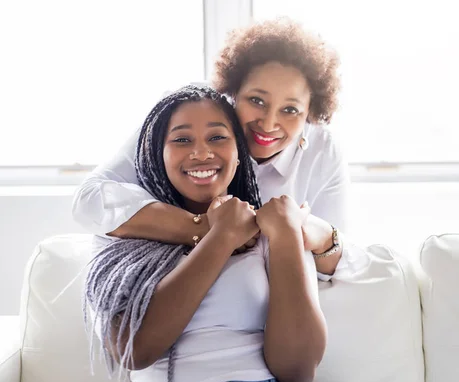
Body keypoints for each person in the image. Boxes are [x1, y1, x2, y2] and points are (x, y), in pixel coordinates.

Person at [84, 85, 327, 382]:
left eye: (217, 138)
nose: (201, 153)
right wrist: (221, 236)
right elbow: (134, 351)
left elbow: (296, 371)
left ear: (239, 154)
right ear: (156, 154)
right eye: (182, 139)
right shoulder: (123, 237)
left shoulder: (273, 230)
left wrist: (287, 235)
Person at [72, 18, 349, 277]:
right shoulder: (191, 112)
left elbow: (337, 269)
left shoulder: (322, 151)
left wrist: (320, 235)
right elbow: (89, 201)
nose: (268, 123)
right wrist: (203, 227)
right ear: (233, 92)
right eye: (257, 101)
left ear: (310, 113)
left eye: (290, 109)